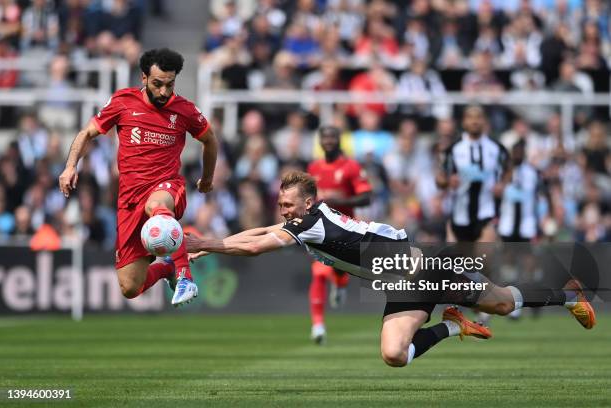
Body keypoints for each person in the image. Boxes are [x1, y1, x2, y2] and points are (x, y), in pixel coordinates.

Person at [185, 171, 596, 367]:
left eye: (288, 204)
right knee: (393, 354)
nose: (283, 209)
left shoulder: (310, 224)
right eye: (282, 202)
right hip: (403, 283)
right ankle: (454, 325)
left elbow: (257, 248)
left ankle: (567, 296)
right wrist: (213, 243)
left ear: (308, 203)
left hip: (428, 267)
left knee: (503, 304)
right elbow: (260, 231)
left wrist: (207, 243)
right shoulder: (308, 221)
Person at [59, 48, 218, 306]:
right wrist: (70, 166)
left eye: (170, 84)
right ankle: (168, 269)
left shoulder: (185, 110)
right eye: (157, 84)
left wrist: (207, 178)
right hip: (129, 199)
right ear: (144, 78)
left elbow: (210, 140)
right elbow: (87, 133)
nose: (164, 91)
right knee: (130, 287)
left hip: (166, 187)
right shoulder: (123, 102)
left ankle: (185, 277)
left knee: (156, 206)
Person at [306, 125, 372, 344]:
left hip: (345, 229)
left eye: (333, 137)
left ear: (339, 140)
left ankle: (341, 283)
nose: (329, 141)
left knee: (339, 270)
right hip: (320, 229)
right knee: (318, 273)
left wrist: (339, 202)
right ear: (320, 141)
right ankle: (318, 326)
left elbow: (366, 197)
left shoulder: (351, 166)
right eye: (325, 137)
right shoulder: (313, 168)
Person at [436, 105, 510, 243]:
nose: (474, 121)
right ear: (464, 122)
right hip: (460, 213)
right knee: (464, 261)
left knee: (483, 258)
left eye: (478, 117)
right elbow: (440, 178)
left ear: (485, 121)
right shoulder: (454, 149)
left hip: (487, 212)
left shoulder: (496, 148)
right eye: (470, 117)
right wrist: (447, 182)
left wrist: (502, 184)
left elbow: (509, 170)